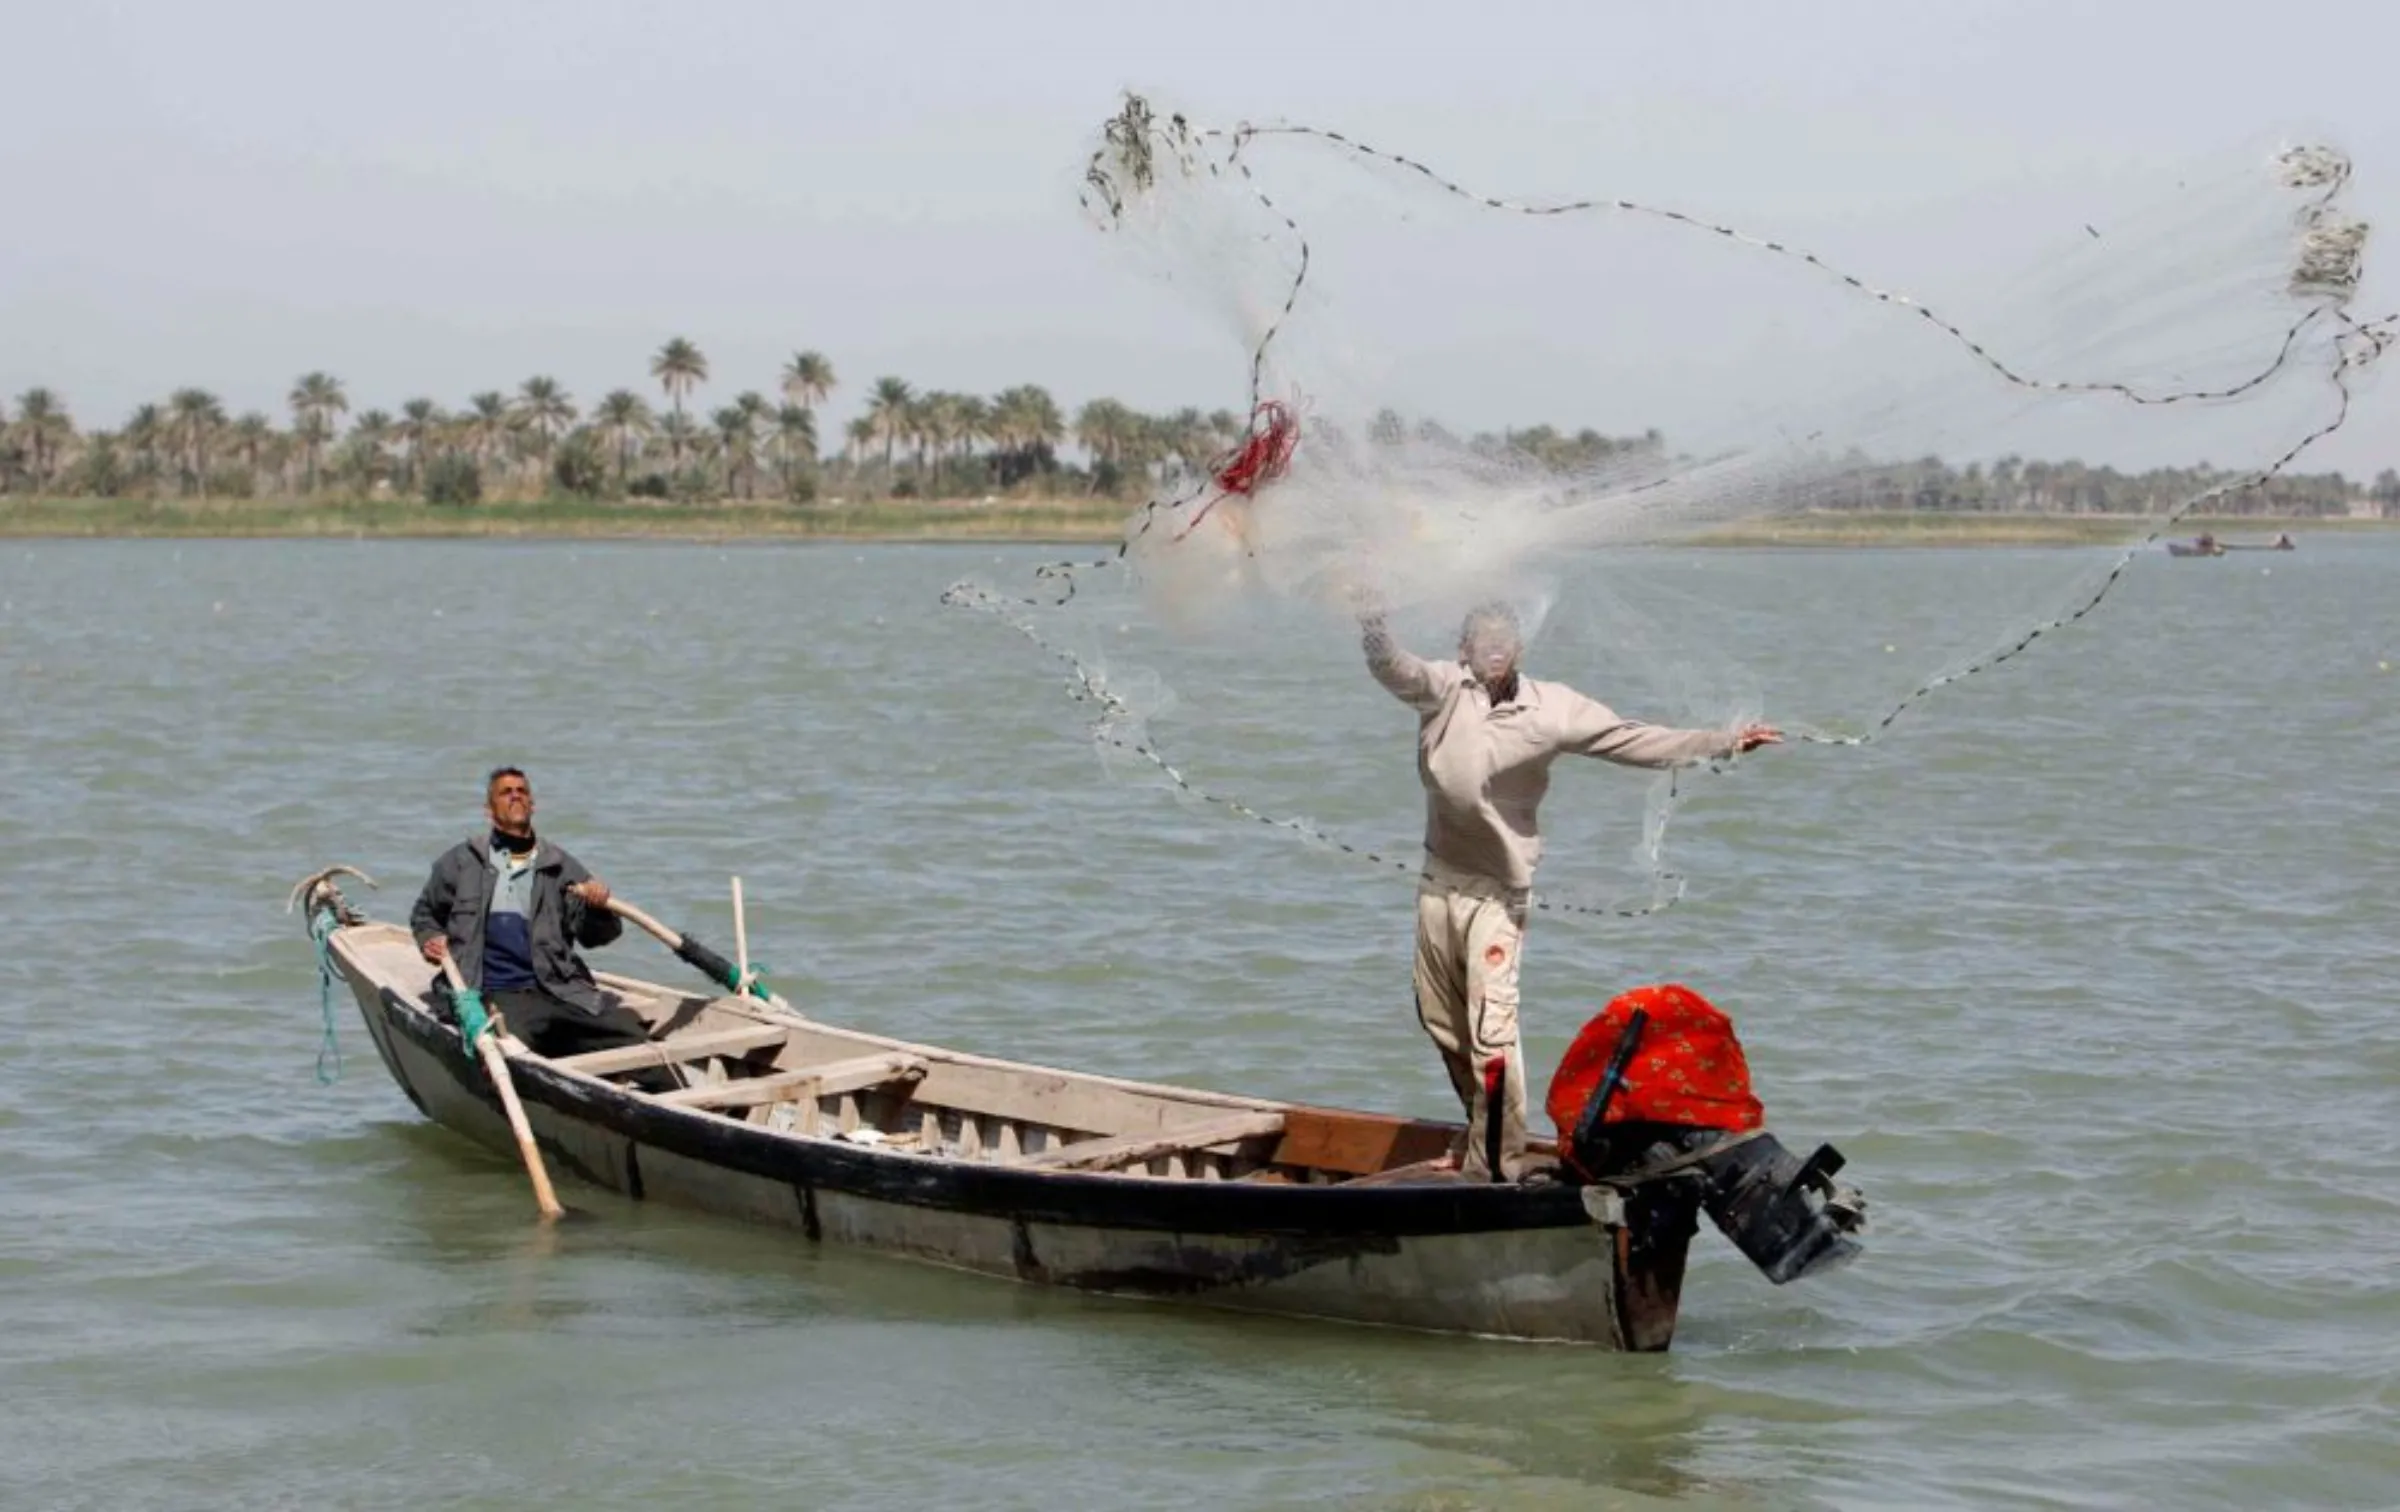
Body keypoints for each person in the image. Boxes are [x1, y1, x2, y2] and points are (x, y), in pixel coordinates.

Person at [1358, 600, 1780, 1182]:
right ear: (1464, 651)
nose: (1495, 647)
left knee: (1491, 1031)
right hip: (1438, 882)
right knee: (1441, 1020)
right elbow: (1391, 666)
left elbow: (1633, 739)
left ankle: (1495, 1167)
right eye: (1482, 639)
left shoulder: (1552, 708)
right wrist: (1372, 619)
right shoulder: (1443, 688)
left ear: (1520, 649)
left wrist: (1724, 741)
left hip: (1498, 893)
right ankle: (1480, 1133)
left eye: (1506, 638)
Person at [410, 767, 669, 1088]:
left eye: (522, 791)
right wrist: (429, 938)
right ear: (489, 811)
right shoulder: (461, 862)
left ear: (533, 805)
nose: (516, 795)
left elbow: (598, 937)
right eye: (506, 792)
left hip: (559, 990)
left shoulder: (559, 865)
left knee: (639, 1043)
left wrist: (597, 908)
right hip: (495, 994)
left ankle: (701, 1108)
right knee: (513, 1056)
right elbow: (424, 914)